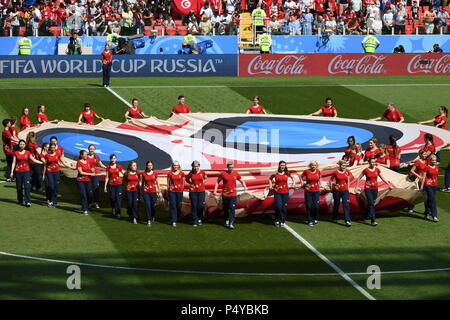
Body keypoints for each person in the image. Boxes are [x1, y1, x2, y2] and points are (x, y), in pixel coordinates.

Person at [356, 157, 395, 226]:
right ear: (369, 162)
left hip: (375, 189)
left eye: (374, 162)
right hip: (368, 189)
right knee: (371, 204)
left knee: (371, 204)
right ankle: (373, 220)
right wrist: (357, 187)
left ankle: (365, 217)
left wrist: (389, 184)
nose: (373, 163)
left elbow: (382, 177)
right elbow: (358, 178)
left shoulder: (377, 169)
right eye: (372, 162)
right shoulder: (366, 170)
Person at [214, 161, 247, 229]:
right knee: (226, 208)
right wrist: (215, 191)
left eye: (232, 167)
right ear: (227, 167)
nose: (231, 168)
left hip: (233, 194)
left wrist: (245, 188)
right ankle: (226, 219)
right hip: (225, 194)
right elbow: (217, 182)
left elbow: (242, 180)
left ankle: (231, 222)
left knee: (232, 208)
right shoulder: (223, 174)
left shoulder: (236, 173)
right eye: (230, 167)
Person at [10, 139, 43, 207]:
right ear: (19, 145)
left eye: (23, 144)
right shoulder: (15, 153)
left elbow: (33, 160)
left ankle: (28, 201)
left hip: (26, 172)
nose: (22, 146)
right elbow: (13, 163)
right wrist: (11, 172)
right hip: (18, 172)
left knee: (27, 186)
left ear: (25, 145)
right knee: (19, 187)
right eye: (20, 144)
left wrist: (42, 162)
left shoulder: (27, 152)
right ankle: (20, 201)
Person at [269, 161, 295, 227]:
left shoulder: (287, 173)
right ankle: (277, 220)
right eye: (281, 165)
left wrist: (293, 184)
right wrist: (270, 186)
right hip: (277, 192)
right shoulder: (276, 174)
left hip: (285, 192)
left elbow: (293, 178)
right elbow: (270, 178)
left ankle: (282, 221)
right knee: (278, 206)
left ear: (285, 166)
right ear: (279, 166)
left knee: (284, 208)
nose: (282, 166)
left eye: (284, 165)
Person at [330, 160, 352, 226]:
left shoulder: (347, 172)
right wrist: (333, 186)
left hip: (345, 191)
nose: (344, 167)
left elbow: (348, 181)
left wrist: (348, 189)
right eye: (342, 165)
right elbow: (331, 180)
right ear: (339, 165)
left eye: (345, 165)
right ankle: (334, 217)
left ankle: (347, 220)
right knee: (336, 204)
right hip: (337, 191)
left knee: (346, 205)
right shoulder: (335, 172)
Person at [186, 160, 207, 227]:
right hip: (193, 192)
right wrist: (191, 184)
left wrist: (202, 183)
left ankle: (199, 219)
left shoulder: (202, 172)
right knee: (194, 206)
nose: (195, 168)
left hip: (201, 191)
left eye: (197, 166)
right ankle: (195, 220)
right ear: (192, 167)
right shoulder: (191, 173)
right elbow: (187, 179)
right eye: (194, 166)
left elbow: (206, 178)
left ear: (199, 166)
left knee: (200, 206)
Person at [301, 161, 322, 226]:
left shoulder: (318, 171)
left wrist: (320, 186)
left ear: (316, 166)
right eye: (312, 165)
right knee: (309, 205)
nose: (313, 166)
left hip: (316, 190)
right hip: (308, 190)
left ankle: (315, 218)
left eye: (315, 165)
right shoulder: (306, 171)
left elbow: (320, 178)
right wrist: (302, 184)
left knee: (316, 206)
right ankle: (310, 220)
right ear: (310, 165)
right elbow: (301, 177)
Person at [104, 154, 124, 218]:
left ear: (116, 159)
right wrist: (105, 186)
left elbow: (124, 173)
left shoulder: (119, 166)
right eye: (112, 158)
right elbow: (107, 177)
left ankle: (118, 213)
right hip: (111, 185)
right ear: (110, 159)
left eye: (114, 158)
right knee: (112, 198)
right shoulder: (108, 168)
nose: (113, 159)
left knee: (118, 199)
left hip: (119, 184)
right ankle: (113, 208)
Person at [142, 160, 161, 226]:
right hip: (146, 192)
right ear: (146, 166)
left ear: (152, 166)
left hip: (153, 192)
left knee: (153, 206)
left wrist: (159, 192)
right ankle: (148, 220)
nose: (150, 166)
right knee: (147, 205)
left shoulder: (155, 173)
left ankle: (152, 216)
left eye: (151, 165)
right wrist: (142, 191)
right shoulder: (144, 174)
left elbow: (157, 183)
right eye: (149, 165)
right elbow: (143, 183)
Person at [87, 144, 107, 209]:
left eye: (93, 149)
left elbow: (101, 164)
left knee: (96, 189)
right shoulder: (85, 156)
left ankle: (96, 203)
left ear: (94, 149)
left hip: (95, 175)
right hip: (88, 175)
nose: (91, 150)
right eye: (90, 148)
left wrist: (107, 168)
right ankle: (89, 203)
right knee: (89, 190)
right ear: (88, 149)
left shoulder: (97, 157)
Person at [166, 160, 185, 227]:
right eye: (174, 165)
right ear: (172, 166)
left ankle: (178, 217)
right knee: (173, 205)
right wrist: (169, 190)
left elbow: (183, 183)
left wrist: (182, 189)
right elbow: (168, 183)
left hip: (179, 191)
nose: (175, 166)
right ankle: (173, 220)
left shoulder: (182, 173)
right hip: (172, 192)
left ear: (178, 166)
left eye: (177, 165)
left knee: (178, 205)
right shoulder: (169, 174)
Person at [421, 155, 439, 222]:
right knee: (433, 200)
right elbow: (424, 177)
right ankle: (434, 216)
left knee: (429, 200)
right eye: (433, 160)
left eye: (435, 160)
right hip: (428, 185)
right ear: (430, 160)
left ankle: (427, 214)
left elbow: (436, 176)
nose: (434, 161)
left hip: (434, 185)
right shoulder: (427, 167)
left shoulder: (437, 167)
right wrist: (422, 186)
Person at [76, 150, 94, 215]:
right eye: (85, 154)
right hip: (80, 180)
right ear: (81, 155)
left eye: (86, 154)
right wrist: (90, 173)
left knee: (89, 194)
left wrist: (92, 170)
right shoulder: (79, 162)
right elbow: (81, 172)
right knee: (83, 194)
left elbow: (92, 169)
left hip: (88, 180)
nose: (86, 155)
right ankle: (85, 209)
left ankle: (88, 204)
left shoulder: (89, 162)